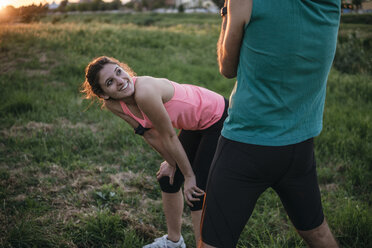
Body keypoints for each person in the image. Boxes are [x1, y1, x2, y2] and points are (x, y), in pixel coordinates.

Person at [200, 1, 340, 247]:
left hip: (245, 145)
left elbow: (227, 67)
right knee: (316, 231)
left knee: (212, 243)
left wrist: (227, 12)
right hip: (300, 146)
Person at [81, 56, 228, 248]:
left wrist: (189, 175)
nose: (120, 81)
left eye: (118, 71)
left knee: (196, 191)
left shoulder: (145, 92)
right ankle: (174, 242)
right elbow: (149, 134)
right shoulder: (113, 104)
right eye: (110, 82)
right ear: (104, 94)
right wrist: (172, 163)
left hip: (216, 116)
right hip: (194, 125)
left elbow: (169, 136)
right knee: (168, 179)